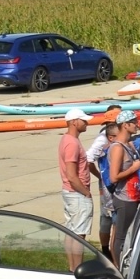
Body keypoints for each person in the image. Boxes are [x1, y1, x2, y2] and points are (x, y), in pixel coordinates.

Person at [106, 111, 140, 269]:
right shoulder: (117, 148)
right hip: (125, 198)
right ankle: (118, 269)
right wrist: (134, 167)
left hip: (133, 195)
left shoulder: (127, 144)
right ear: (125, 125)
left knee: (131, 235)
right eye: (134, 122)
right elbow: (114, 177)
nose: (137, 125)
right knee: (121, 237)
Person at [58, 109, 93, 270]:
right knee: (79, 234)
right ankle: (78, 269)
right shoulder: (72, 143)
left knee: (71, 230)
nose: (86, 123)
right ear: (74, 122)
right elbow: (72, 175)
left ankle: (72, 269)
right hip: (77, 193)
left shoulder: (67, 139)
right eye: (83, 120)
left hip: (70, 192)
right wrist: (85, 192)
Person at [87, 121, 118, 260]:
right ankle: (107, 251)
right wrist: (100, 176)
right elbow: (88, 159)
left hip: (114, 184)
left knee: (112, 219)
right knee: (109, 218)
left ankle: (111, 251)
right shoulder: (102, 140)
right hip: (108, 186)